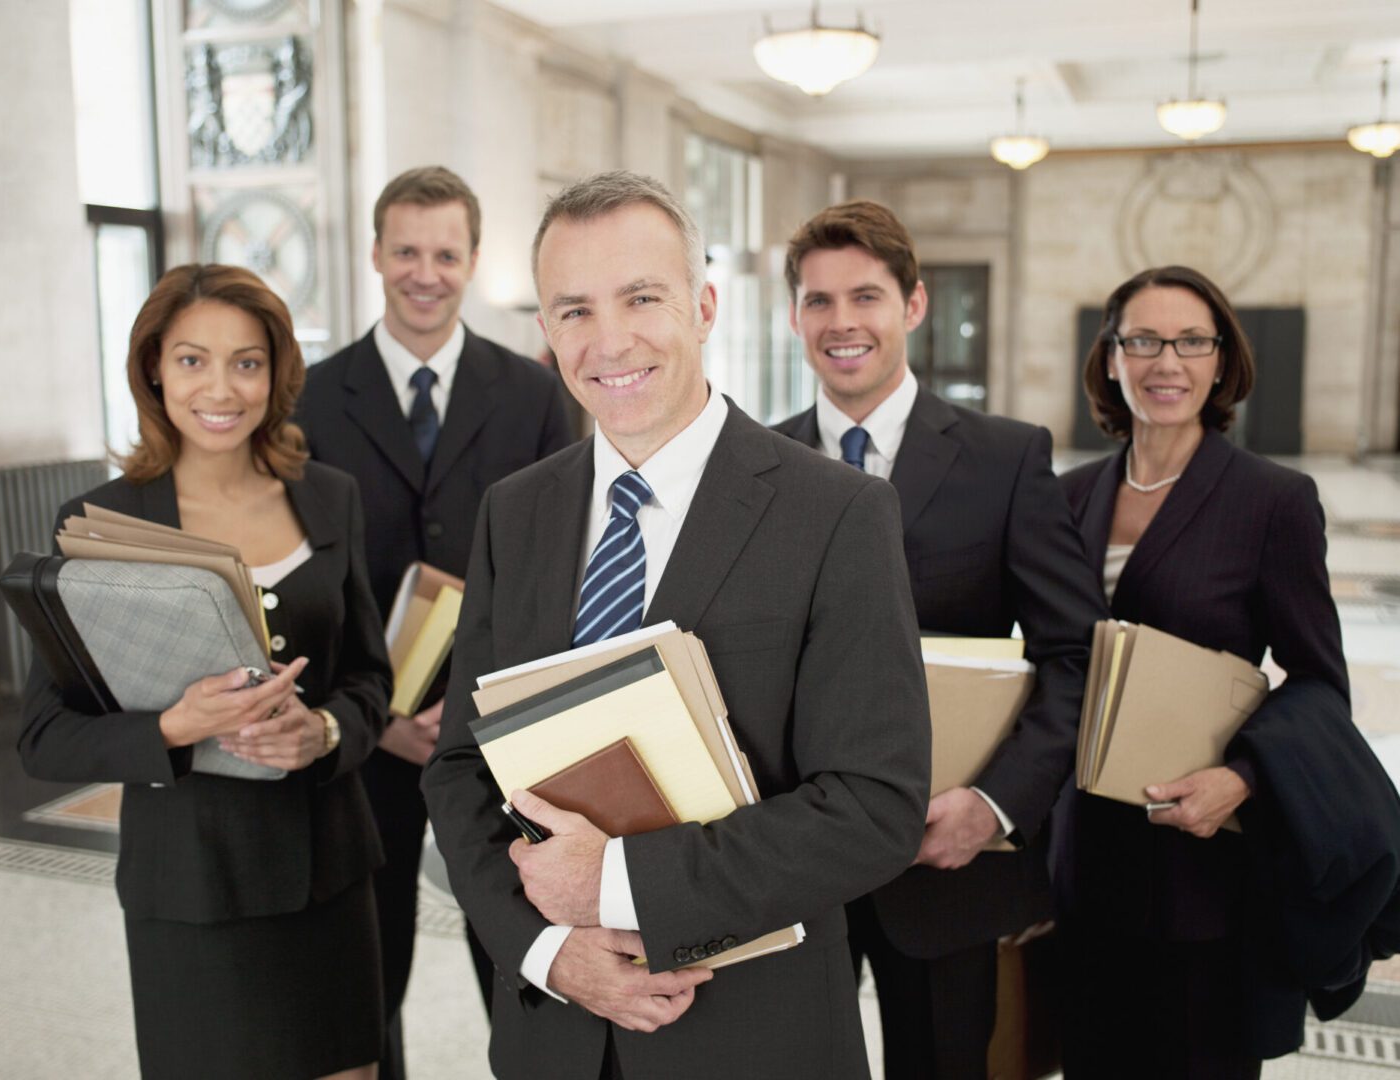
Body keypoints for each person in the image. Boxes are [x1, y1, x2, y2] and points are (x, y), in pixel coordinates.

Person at [421, 171, 930, 1080]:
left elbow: (872, 809)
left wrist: (616, 884)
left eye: (641, 297)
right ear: (545, 330)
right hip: (555, 1035)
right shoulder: (514, 511)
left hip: (753, 1038)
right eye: (573, 310)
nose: (608, 339)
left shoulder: (838, 512)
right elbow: (461, 763)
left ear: (703, 306)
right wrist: (547, 950)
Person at [18, 264, 391, 1079]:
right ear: (154, 366)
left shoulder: (330, 498)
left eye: (246, 361)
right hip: (189, 886)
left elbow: (370, 682)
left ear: (275, 372)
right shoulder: (98, 524)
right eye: (192, 360)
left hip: (329, 875)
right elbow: (46, 736)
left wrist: (324, 729)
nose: (220, 387)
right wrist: (175, 727)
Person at [773, 199, 1107, 1078]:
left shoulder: (1006, 459)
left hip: (948, 860)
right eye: (818, 301)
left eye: (866, 297)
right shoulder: (757, 465)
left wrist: (993, 806)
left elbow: (1074, 657)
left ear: (912, 305)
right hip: (790, 866)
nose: (841, 323)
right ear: (795, 315)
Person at [295, 165, 573, 1073]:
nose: (426, 272)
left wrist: (462, 712)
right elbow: (302, 579)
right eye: (406, 250)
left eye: (445, 253)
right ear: (375, 254)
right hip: (361, 738)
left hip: (495, 733)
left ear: (473, 261)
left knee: (518, 959)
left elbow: (554, 568)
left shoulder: (534, 394)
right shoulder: (307, 396)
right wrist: (376, 716)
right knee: (368, 970)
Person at [1056, 265, 1352, 1077]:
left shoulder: (1271, 499)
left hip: (1201, 864)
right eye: (1143, 341)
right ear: (1110, 358)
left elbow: (1320, 680)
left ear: (1220, 361)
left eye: (1191, 342)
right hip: (1085, 858)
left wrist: (1245, 777)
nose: (1166, 363)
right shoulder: (1071, 495)